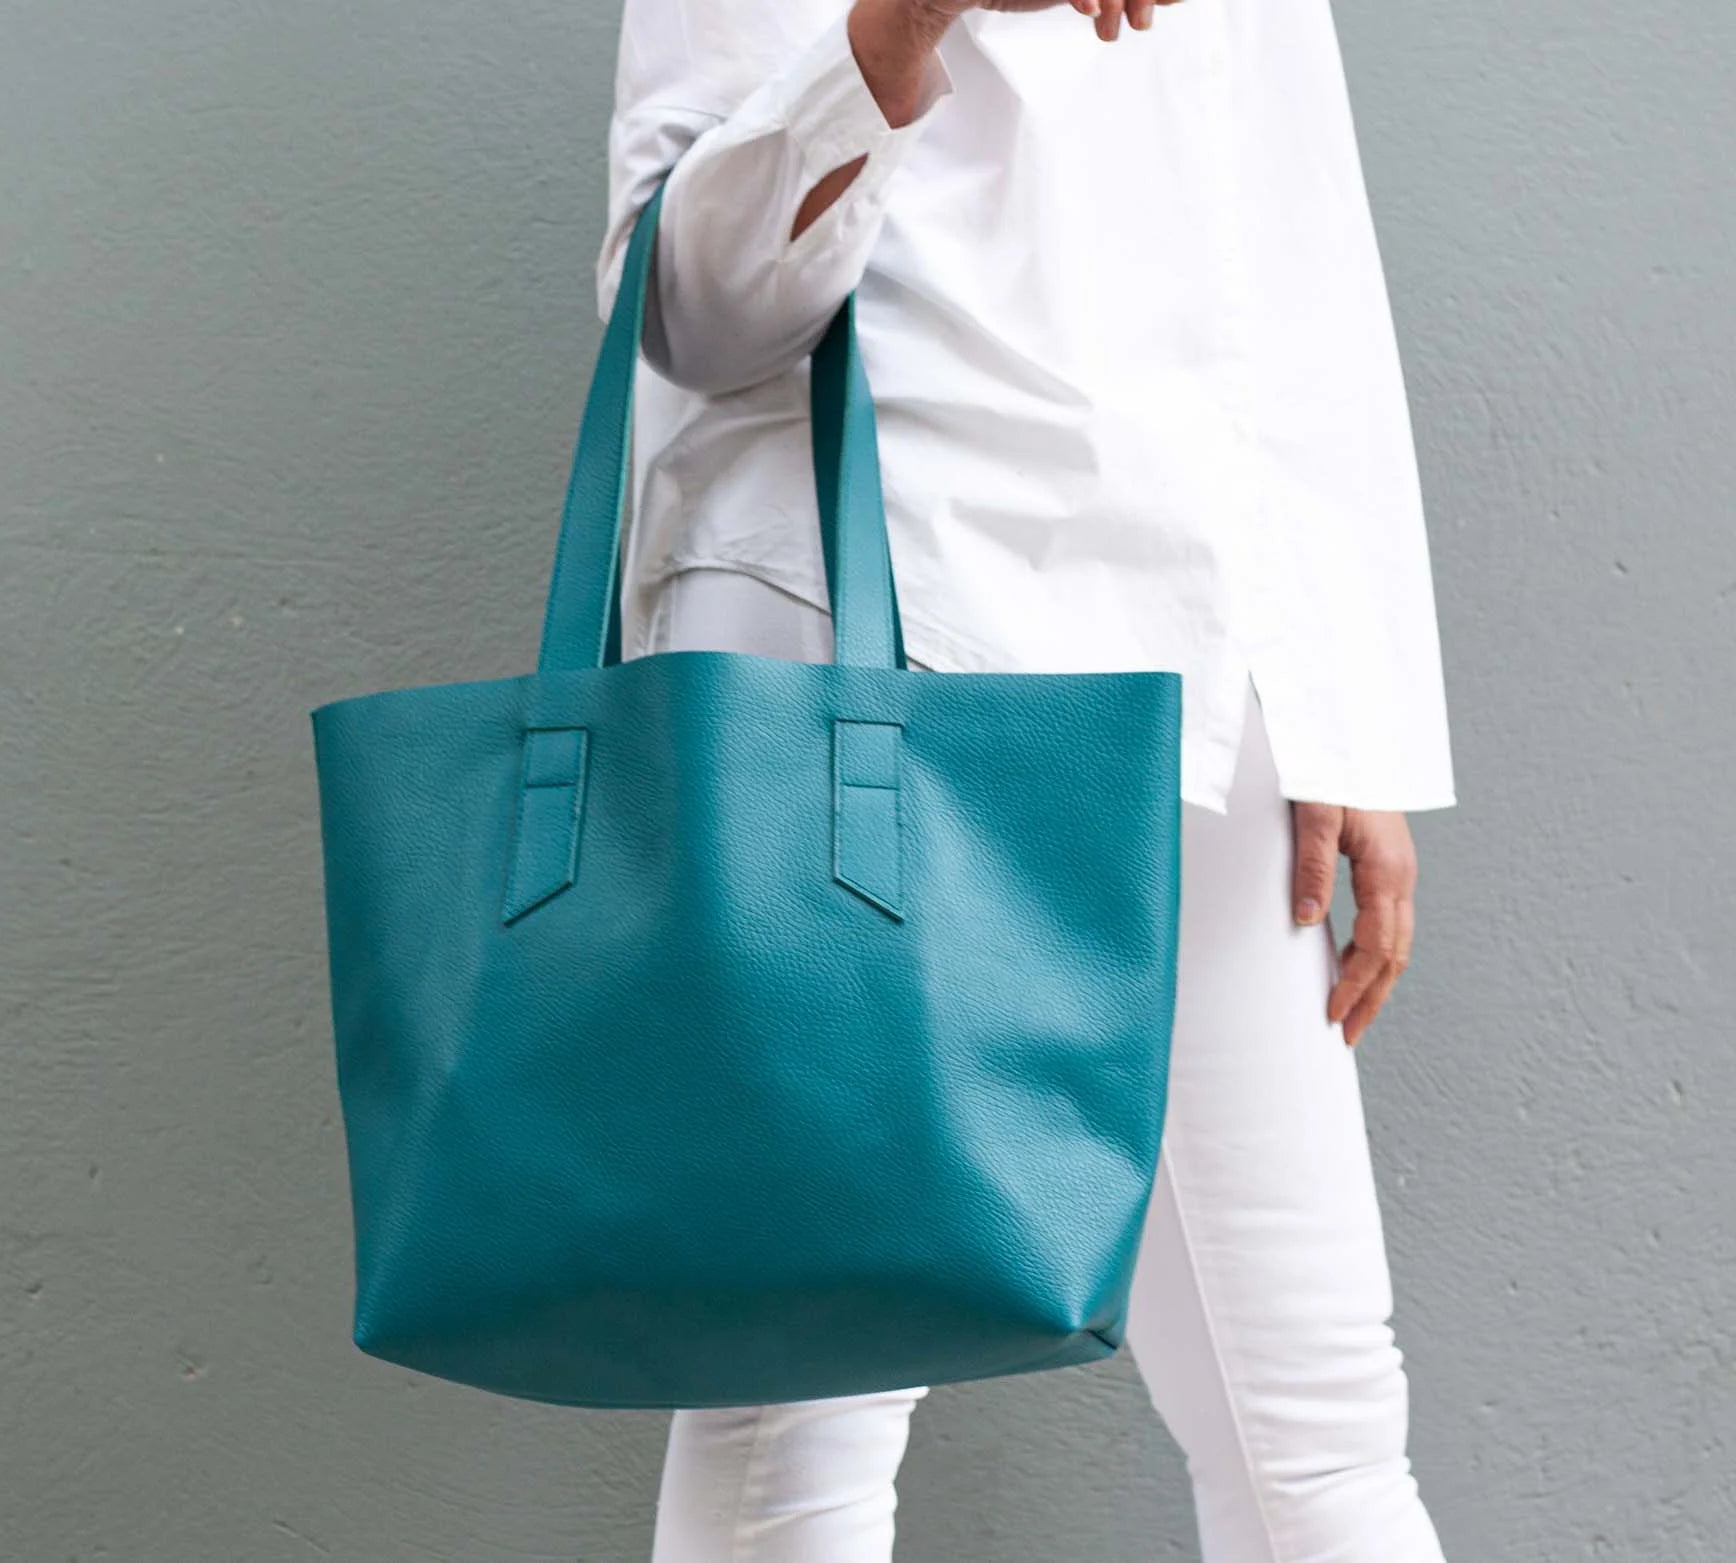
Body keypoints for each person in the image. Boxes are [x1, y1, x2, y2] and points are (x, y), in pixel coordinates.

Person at [596, 0, 1455, 1558]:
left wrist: (1340, 704)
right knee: (803, 1406)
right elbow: (684, 311)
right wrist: (904, 22)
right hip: (851, 637)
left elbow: (1289, 240)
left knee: (1315, 1423)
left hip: (1195, 665)